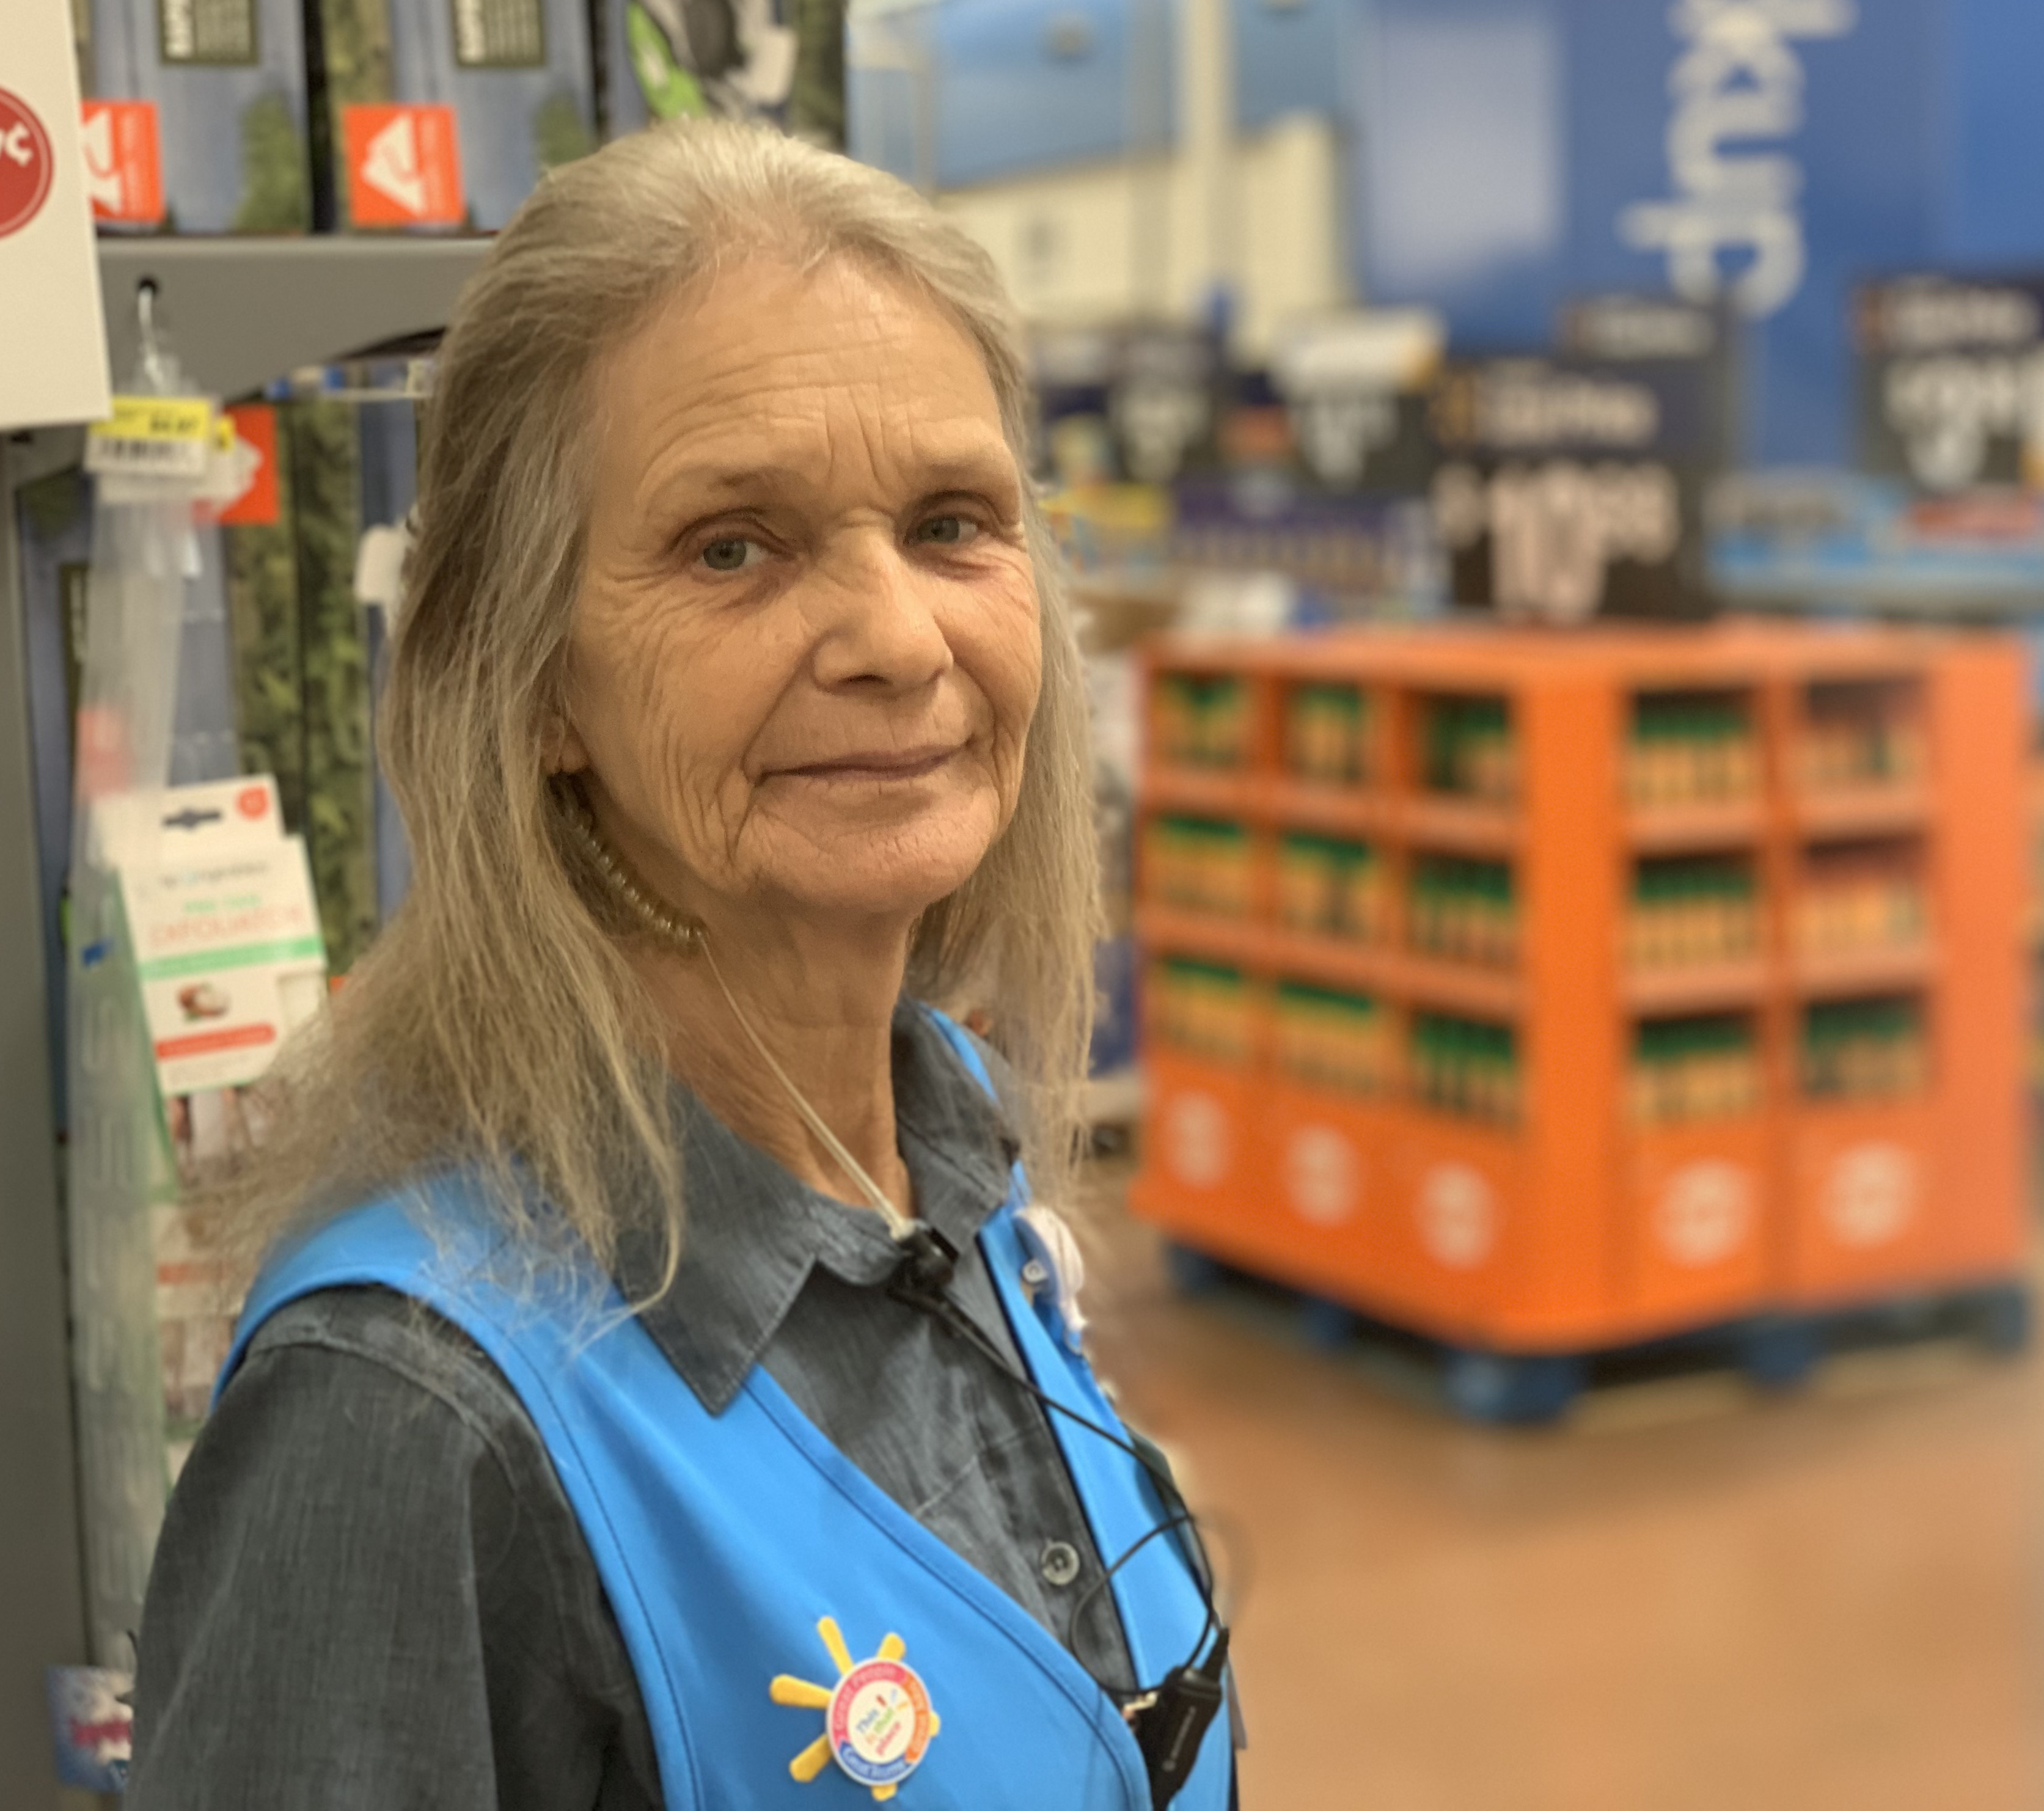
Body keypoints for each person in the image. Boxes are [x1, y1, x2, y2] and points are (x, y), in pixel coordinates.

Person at [126, 120, 1235, 1811]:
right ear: (539, 685)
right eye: (735, 548)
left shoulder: (962, 1186)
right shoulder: (412, 1418)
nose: (894, 640)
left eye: (953, 525)